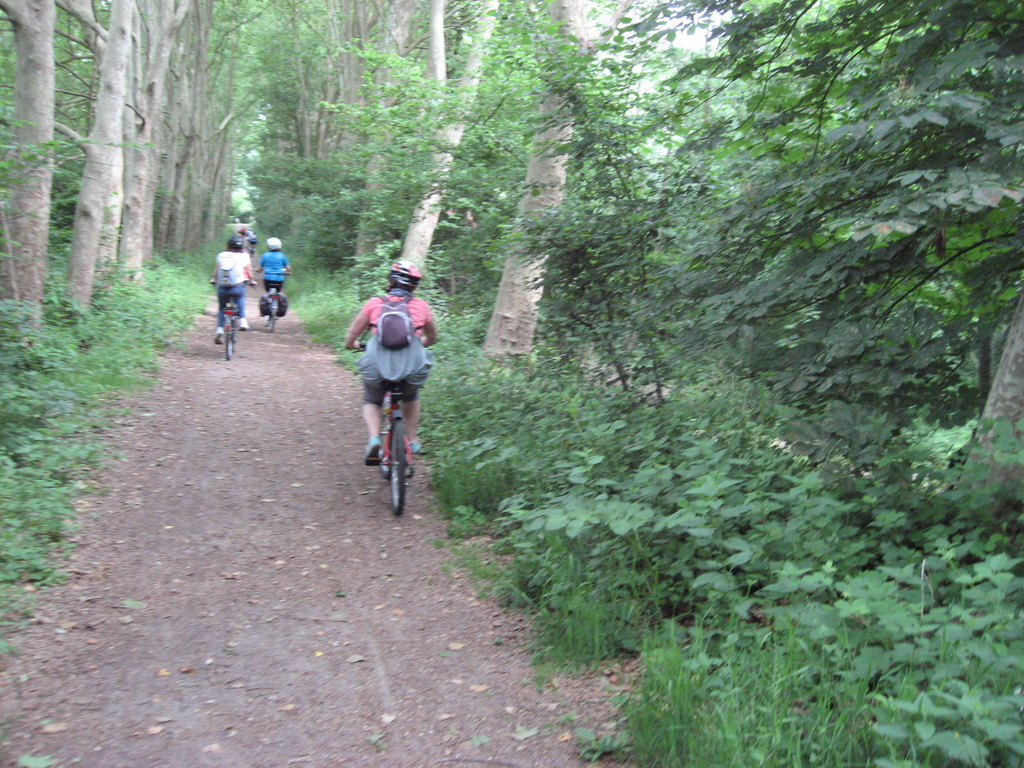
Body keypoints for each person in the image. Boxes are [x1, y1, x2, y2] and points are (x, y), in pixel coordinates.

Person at [344, 260, 437, 462]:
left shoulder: (375, 303)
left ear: (391, 280)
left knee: (372, 399)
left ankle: (374, 439)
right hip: (411, 367)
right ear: (414, 285)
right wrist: (421, 342)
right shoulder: (421, 306)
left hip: (377, 365)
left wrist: (352, 344)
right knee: (411, 396)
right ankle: (412, 439)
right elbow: (432, 336)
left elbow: (352, 334)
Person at [210, 234, 255, 343]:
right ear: (242, 246)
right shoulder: (244, 256)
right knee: (240, 297)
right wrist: (252, 280)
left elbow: (217, 270)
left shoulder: (221, 255)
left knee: (222, 308)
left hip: (223, 287)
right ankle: (243, 320)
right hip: (236, 287)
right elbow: (249, 270)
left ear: (228, 244)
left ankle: (219, 329)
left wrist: (213, 279)